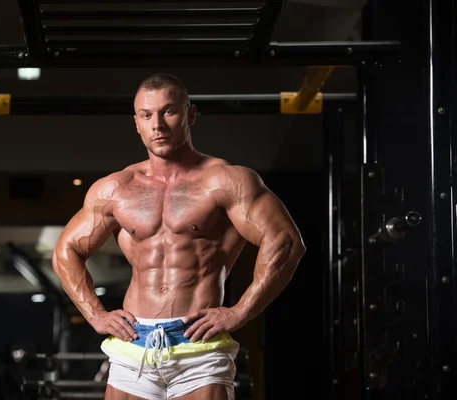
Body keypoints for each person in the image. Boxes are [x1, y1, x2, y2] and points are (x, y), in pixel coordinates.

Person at [52, 73, 306, 400]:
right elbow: (66, 250)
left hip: (198, 348)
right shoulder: (115, 188)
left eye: (168, 111)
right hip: (133, 347)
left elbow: (285, 241)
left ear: (190, 115)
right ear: (137, 123)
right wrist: (96, 315)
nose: (157, 124)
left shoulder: (226, 181)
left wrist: (240, 311)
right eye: (146, 115)